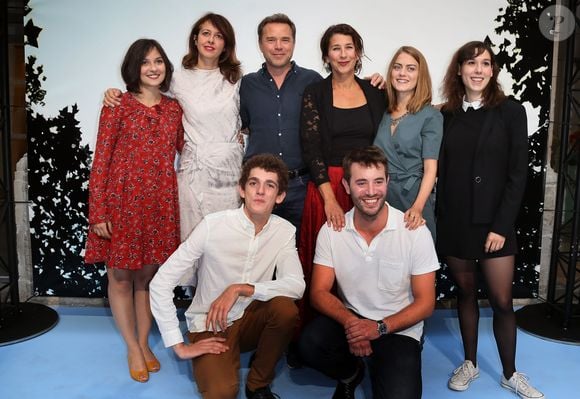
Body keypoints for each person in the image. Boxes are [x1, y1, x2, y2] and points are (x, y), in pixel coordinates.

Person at [149, 154, 306, 399]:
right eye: (254, 183)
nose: (260, 191)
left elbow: (297, 286)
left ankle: (258, 384)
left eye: (270, 185)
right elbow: (161, 282)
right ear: (241, 189)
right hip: (211, 325)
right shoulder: (213, 225)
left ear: (280, 196)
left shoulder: (284, 231)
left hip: (252, 319)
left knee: (286, 310)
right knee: (222, 393)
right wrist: (178, 345)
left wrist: (241, 288)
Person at [437, 41, 544, 399]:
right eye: (471, 63)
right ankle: (470, 363)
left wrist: (501, 226)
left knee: (501, 300)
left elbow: (518, 174)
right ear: (460, 70)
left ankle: (510, 373)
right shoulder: (446, 115)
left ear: (493, 71)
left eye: (486, 63)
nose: (478, 70)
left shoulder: (510, 111)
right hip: (456, 221)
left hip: (496, 223)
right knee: (465, 294)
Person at [299, 146, 439, 399]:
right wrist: (353, 324)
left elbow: (426, 303)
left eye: (378, 182)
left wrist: (379, 328)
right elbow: (318, 293)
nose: (371, 192)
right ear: (346, 185)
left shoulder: (414, 231)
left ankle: (383, 364)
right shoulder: (332, 231)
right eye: (361, 183)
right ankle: (351, 374)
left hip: (398, 328)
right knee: (309, 344)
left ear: (388, 181)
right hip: (351, 319)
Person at [84, 38, 186, 382]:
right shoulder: (118, 105)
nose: (153, 67)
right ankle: (131, 346)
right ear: (134, 68)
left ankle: (144, 344)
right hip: (121, 202)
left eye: (159, 61)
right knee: (120, 277)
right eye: (145, 62)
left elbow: (193, 144)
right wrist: (97, 212)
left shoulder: (174, 109)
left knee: (148, 277)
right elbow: (101, 160)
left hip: (159, 203)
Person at [104, 13, 243, 243]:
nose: (211, 40)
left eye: (218, 36)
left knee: (226, 247)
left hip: (228, 176)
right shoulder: (177, 79)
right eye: (206, 33)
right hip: (193, 175)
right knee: (192, 247)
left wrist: (242, 134)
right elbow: (145, 94)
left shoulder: (236, 79)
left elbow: (249, 116)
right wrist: (113, 93)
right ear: (195, 39)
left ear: (225, 44)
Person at [298, 23, 386, 328]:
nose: (343, 54)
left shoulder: (375, 93)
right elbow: (311, 150)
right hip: (328, 188)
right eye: (336, 48)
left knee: (363, 266)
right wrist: (330, 200)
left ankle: (364, 330)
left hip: (367, 189)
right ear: (326, 55)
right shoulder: (315, 92)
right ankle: (316, 338)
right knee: (323, 267)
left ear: (358, 52)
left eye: (349, 47)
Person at [240, 13, 322, 236]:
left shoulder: (313, 81)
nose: (278, 46)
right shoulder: (246, 85)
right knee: (257, 255)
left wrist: (372, 84)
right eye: (271, 40)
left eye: (285, 40)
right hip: (259, 188)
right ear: (260, 44)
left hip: (301, 187)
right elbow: (239, 125)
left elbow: (343, 98)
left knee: (301, 254)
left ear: (293, 43)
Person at [373, 46, 442, 239]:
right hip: (379, 197)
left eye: (411, 68)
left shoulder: (430, 115)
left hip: (413, 198)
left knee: (416, 262)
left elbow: (430, 169)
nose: (402, 73)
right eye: (398, 67)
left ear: (420, 76)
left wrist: (418, 207)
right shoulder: (382, 110)